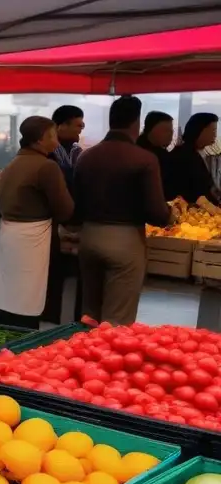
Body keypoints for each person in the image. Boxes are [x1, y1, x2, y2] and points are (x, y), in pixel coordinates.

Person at [73, 96, 172, 325]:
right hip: (125, 241)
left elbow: (75, 205)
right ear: (136, 123)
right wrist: (170, 214)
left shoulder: (87, 157)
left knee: (89, 316)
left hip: (88, 237)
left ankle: (82, 358)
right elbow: (157, 213)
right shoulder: (144, 159)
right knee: (117, 321)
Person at [0, 117, 75, 329]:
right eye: (52, 136)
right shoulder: (46, 167)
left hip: (8, 236)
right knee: (27, 297)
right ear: (38, 141)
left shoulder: (12, 164)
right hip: (32, 239)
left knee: (10, 294)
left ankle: (7, 336)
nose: (56, 141)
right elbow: (65, 210)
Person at [167, 112, 220, 206]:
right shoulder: (183, 156)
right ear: (200, 131)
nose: (215, 135)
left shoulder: (200, 153)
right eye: (213, 131)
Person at [136, 111, 175, 195]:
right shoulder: (141, 154)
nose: (171, 134)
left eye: (171, 130)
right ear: (151, 130)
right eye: (165, 130)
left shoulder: (162, 152)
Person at [50, 106, 85, 190]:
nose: (81, 130)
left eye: (82, 126)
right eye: (79, 126)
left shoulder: (77, 151)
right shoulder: (48, 150)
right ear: (62, 126)